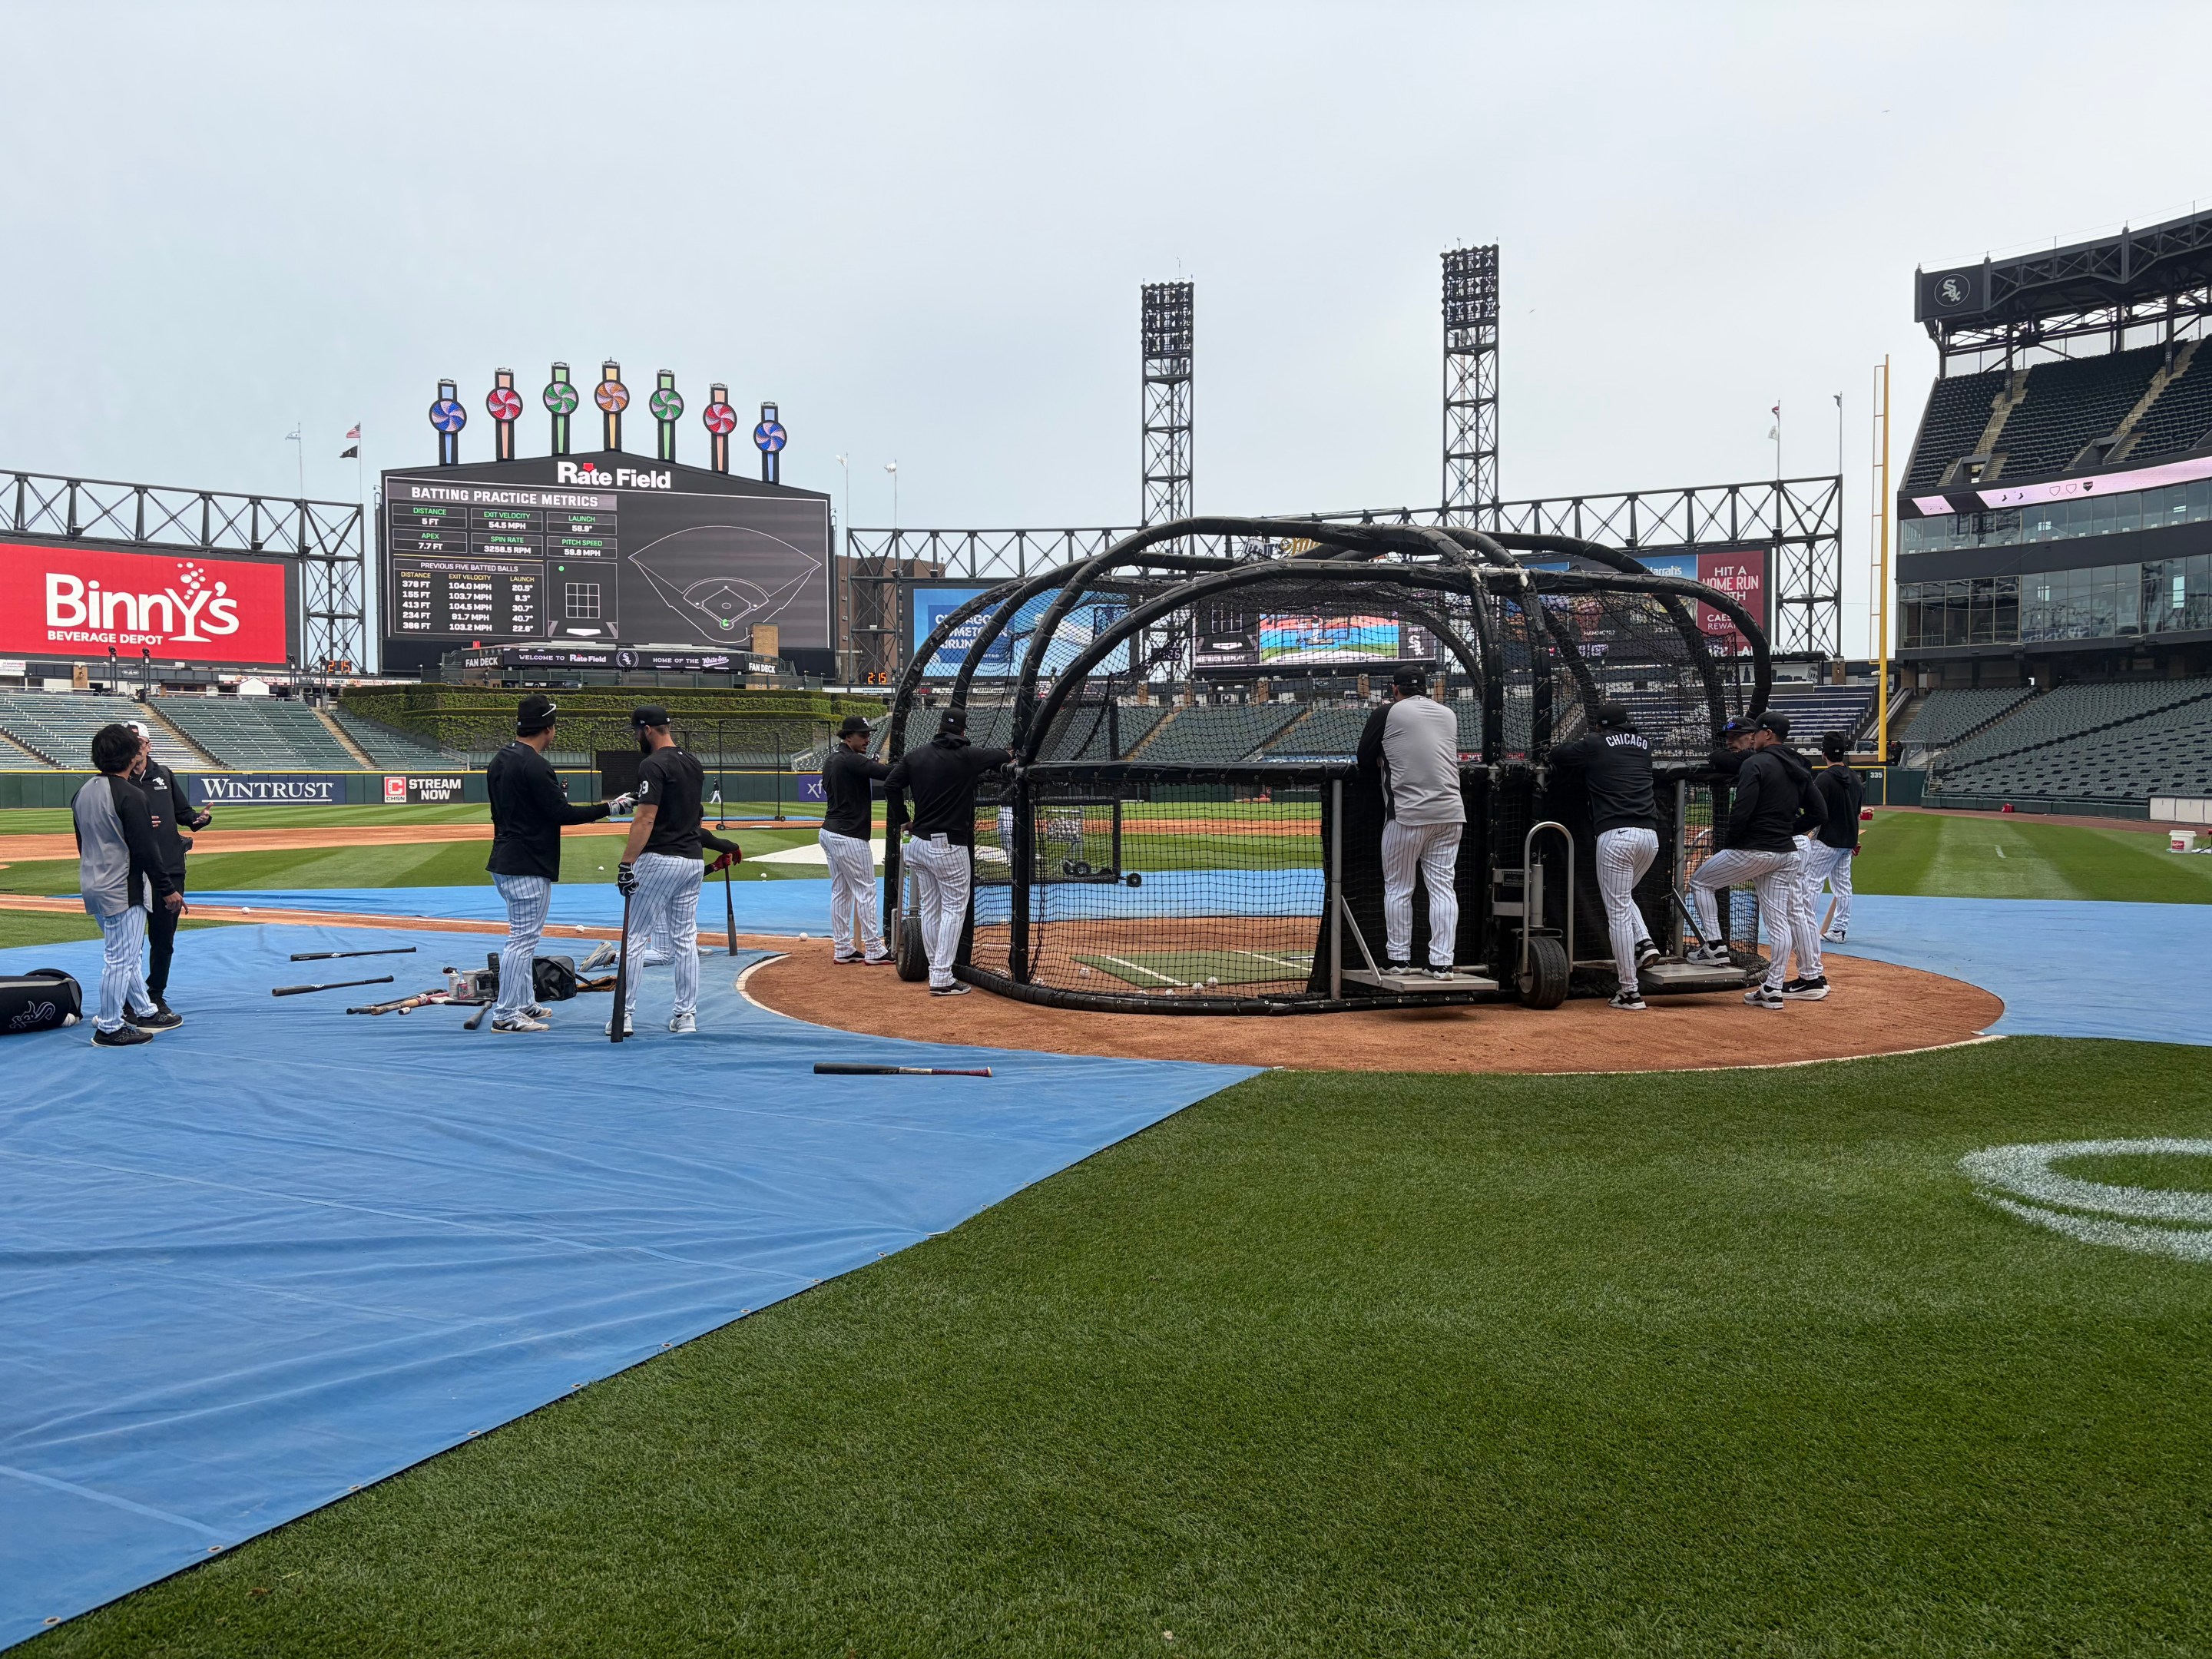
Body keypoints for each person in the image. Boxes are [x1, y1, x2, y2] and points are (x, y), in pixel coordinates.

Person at [484, 694, 631, 1034]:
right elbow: (561, 813)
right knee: (522, 941)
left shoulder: (501, 758)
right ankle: (506, 1014)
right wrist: (610, 808)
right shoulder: (535, 764)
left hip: (505, 857)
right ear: (548, 728)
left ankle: (523, 1003)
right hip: (528, 862)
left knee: (523, 938)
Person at [613, 706, 743, 1035]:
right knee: (685, 940)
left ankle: (623, 1016)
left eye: (637, 732)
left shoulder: (652, 764)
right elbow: (690, 815)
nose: (636, 738)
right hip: (692, 861)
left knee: (635, 938)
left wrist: (627, 863)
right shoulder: (692, 762)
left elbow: (645, 819)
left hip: (659, 858)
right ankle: (686, 1016)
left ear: (647, 730)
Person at [1687, 712, 1815, 1011]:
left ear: (1764, 735)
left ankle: (1715, 947)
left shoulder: (1756, 763)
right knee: (1781, 921)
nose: (1736, 742)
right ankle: (1773, 988)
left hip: (1759, 847)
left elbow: (1741, 809)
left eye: (1752, 734)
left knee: (1701, 882)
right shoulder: (1796, 763)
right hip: (1788, 849)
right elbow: (1819, 812)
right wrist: (1787, 831)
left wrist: (1733, 842)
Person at [882, 707, 1013, 996]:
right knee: (954, 908)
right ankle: (941, 977)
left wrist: (904, 819)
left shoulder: (916, 755)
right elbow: (1001, 756)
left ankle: (937, 971)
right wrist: (1010, 752)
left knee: (931, 908)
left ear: (939, 728)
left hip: (918, 844)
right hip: (949, 847)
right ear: (963, 732)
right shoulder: (969, 756)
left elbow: (891, 785)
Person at [71, 723, 184, 1046]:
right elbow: (146, 851)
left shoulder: (83, 792)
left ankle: (145, 1010)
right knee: (120, 960)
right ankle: (109, 1026)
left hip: (93, 880)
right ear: (131, 755)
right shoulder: (131, 794)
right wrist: (168, 890)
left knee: (128, 954)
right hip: (124, 886)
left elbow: (85, 841)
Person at [1549, 700, 1661, 1011]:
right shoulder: (1644, 744)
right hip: (1650, 837)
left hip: (1617, 836)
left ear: (1600, 725)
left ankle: (1629, 990)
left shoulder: (1596, 743)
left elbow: (1559, 754)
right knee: (1624, 898)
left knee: (1617, 912)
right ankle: (1645, 942)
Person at [1356, 665, 1465, 978]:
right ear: (1425, 688)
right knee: (1443, 889)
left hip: (1407, 814)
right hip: (1451, 813)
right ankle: (1442, 963)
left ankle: (1398, 960)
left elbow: (1364, 759)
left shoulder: (1387, 712)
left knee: (1399, 887)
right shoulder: (1448, 714)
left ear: (1395, 688)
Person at [125, 719, 210, 1019]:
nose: (135, 749)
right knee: (129, 943)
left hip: (170, 867)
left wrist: (199, 820)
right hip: (132, 871)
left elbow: (183, 813)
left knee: (163, 940)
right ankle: (129, 999)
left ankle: (155, 995)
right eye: (129, 744)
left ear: (148, 746)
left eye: (139, 743)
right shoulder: (117, 780)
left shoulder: (163, 774)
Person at [820, 713, 892, 964]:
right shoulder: (851, 760)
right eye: (863, 735)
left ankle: (842, 948)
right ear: (848, 737)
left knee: (841, 891)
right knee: (866, 890)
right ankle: (874, 948)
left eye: (868, 735)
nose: (867, 739)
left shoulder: (832, 759)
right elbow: (886, 773)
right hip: (849, 834)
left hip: (829, 831)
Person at [1806, 731, 1864, 944]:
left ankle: (1806, 930)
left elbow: (1816, 811)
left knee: (1811, 883)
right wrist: (1854, 839)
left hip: (1827, 840)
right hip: (1847, 841)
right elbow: (1857, 813)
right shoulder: (1855, 778)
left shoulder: (1824, 779)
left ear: (1824, 754)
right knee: (1843, 886)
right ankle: (1839, 930)